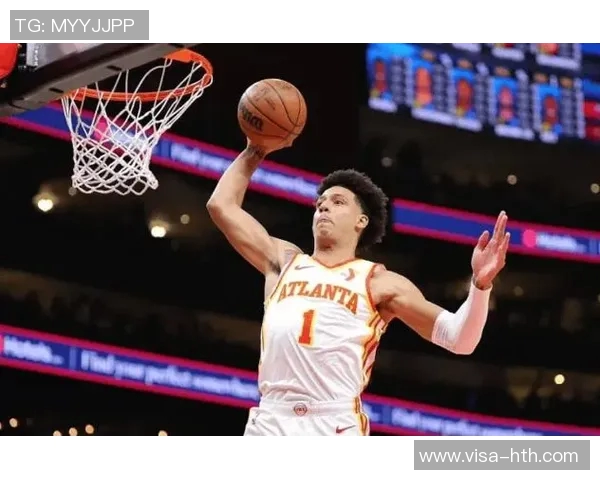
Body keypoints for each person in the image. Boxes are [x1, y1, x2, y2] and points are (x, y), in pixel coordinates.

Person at [206, 139, 510, 436]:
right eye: (320, 204)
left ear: (361, 220)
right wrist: (255, 149)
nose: (324, 207)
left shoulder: (379, 282)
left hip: (334, 425)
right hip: (271, 420)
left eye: (337, 202)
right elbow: (221, 205)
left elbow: (460, 339)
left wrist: (481, 285)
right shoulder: (283, 261)